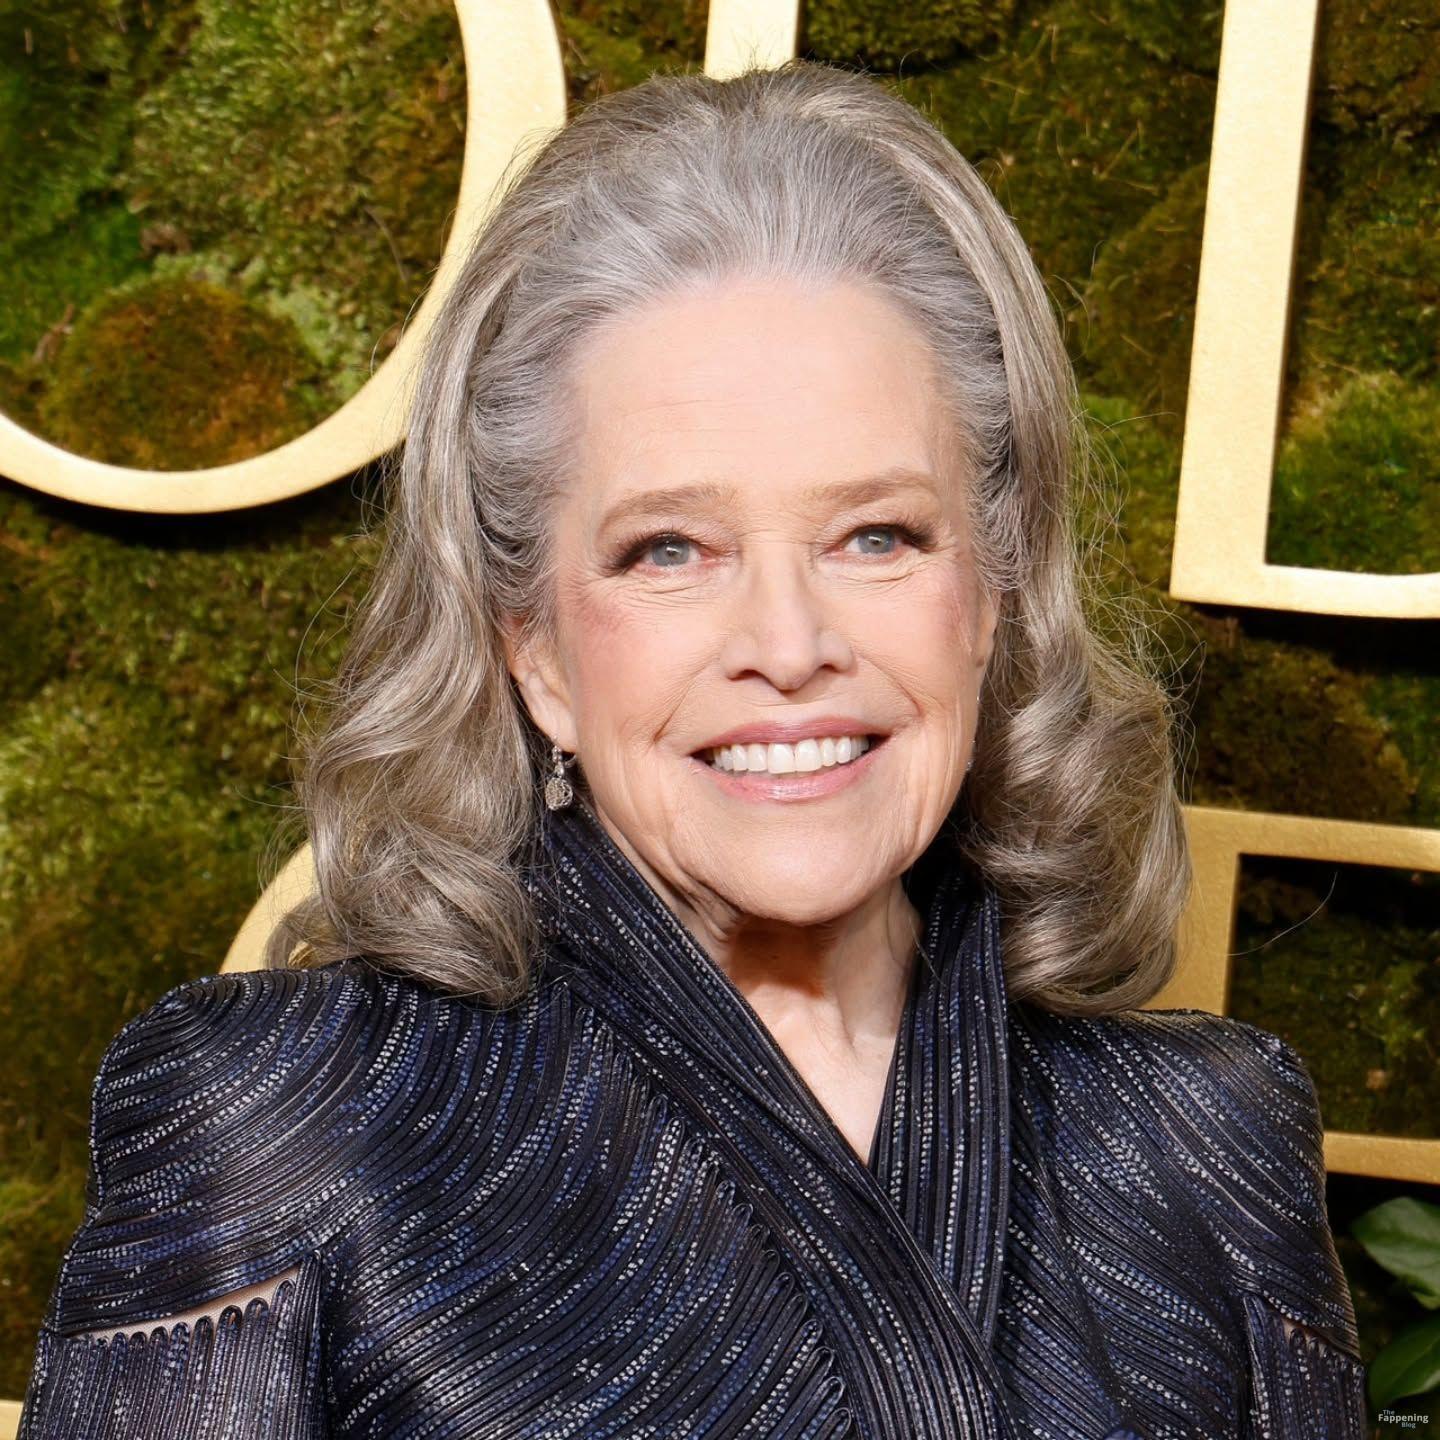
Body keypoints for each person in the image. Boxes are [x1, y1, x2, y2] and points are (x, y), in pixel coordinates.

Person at [19, 59, 1366, 1439]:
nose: (787, 642)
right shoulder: (283, 1124)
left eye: (877, 536)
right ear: (532, 644)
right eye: (670, 550)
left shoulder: (1203, 1145)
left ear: (994, 592)